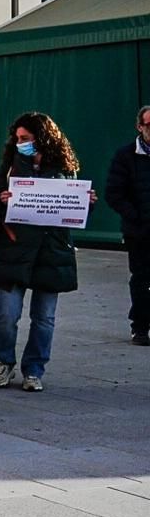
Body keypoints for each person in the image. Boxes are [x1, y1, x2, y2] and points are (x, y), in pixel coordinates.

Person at [0, 112, 93, 390]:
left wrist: (85, 202)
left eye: (26, 139)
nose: (20, 143)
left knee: (44, 318)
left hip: (51, 252)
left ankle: (34, 370)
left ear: (42, 139)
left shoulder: (63, 166)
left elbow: (72, 203)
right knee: (7, 314)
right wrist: (1, 199)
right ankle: (2, 363)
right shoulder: (11, 165)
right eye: (18, 139)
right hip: (14, 249)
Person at [105, 105, 150, 346]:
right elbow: (114, 193)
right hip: (140, 231)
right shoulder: (126, 156)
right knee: (142, 279)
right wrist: (137, 217)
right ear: (140, 127)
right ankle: (141, 326)